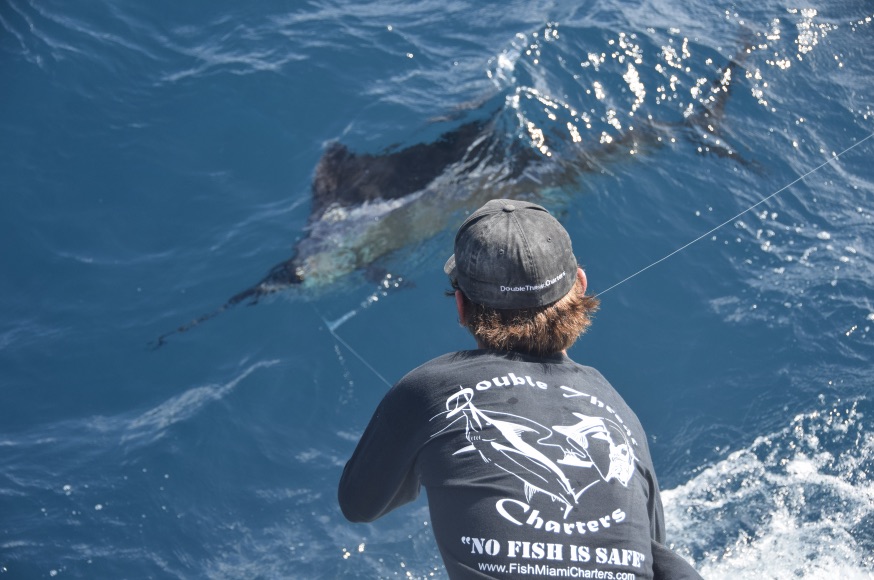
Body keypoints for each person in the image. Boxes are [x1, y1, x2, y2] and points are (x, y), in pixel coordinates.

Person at [338, 199, 703, 579]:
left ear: (461, 307)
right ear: (580, 285)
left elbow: (359, 505)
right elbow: (650, 546)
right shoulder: (619, 411)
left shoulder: (427, 389)